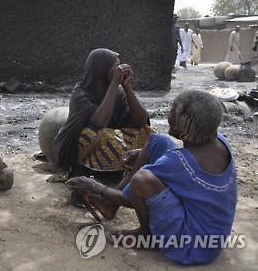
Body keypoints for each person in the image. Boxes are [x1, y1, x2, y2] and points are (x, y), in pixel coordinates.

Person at [66, 90, 237, 265]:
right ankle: (110, 206)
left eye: (172, 112)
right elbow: (182, 162)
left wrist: (95, 186)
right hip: (213, 234)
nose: (168, 115)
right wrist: (141, 152)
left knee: (141, 180)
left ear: (183, 126)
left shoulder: (178, 162)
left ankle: (146, 235)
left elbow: (129, 198)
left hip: (191, 245)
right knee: (158, 142)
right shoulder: (221, 141)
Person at [54, 48, 150, 177]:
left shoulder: (118, 92)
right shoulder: (81, 92)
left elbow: (141, 121)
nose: (119, 70)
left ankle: (117, 167)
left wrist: (127, 87)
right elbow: (99, 122)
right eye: (116, 66)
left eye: (119, 66)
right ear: (101, 69)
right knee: (95, 134)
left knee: (146, 132)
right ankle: (86, 168)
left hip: (108, 140)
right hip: (76, 146)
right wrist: (115, 83)